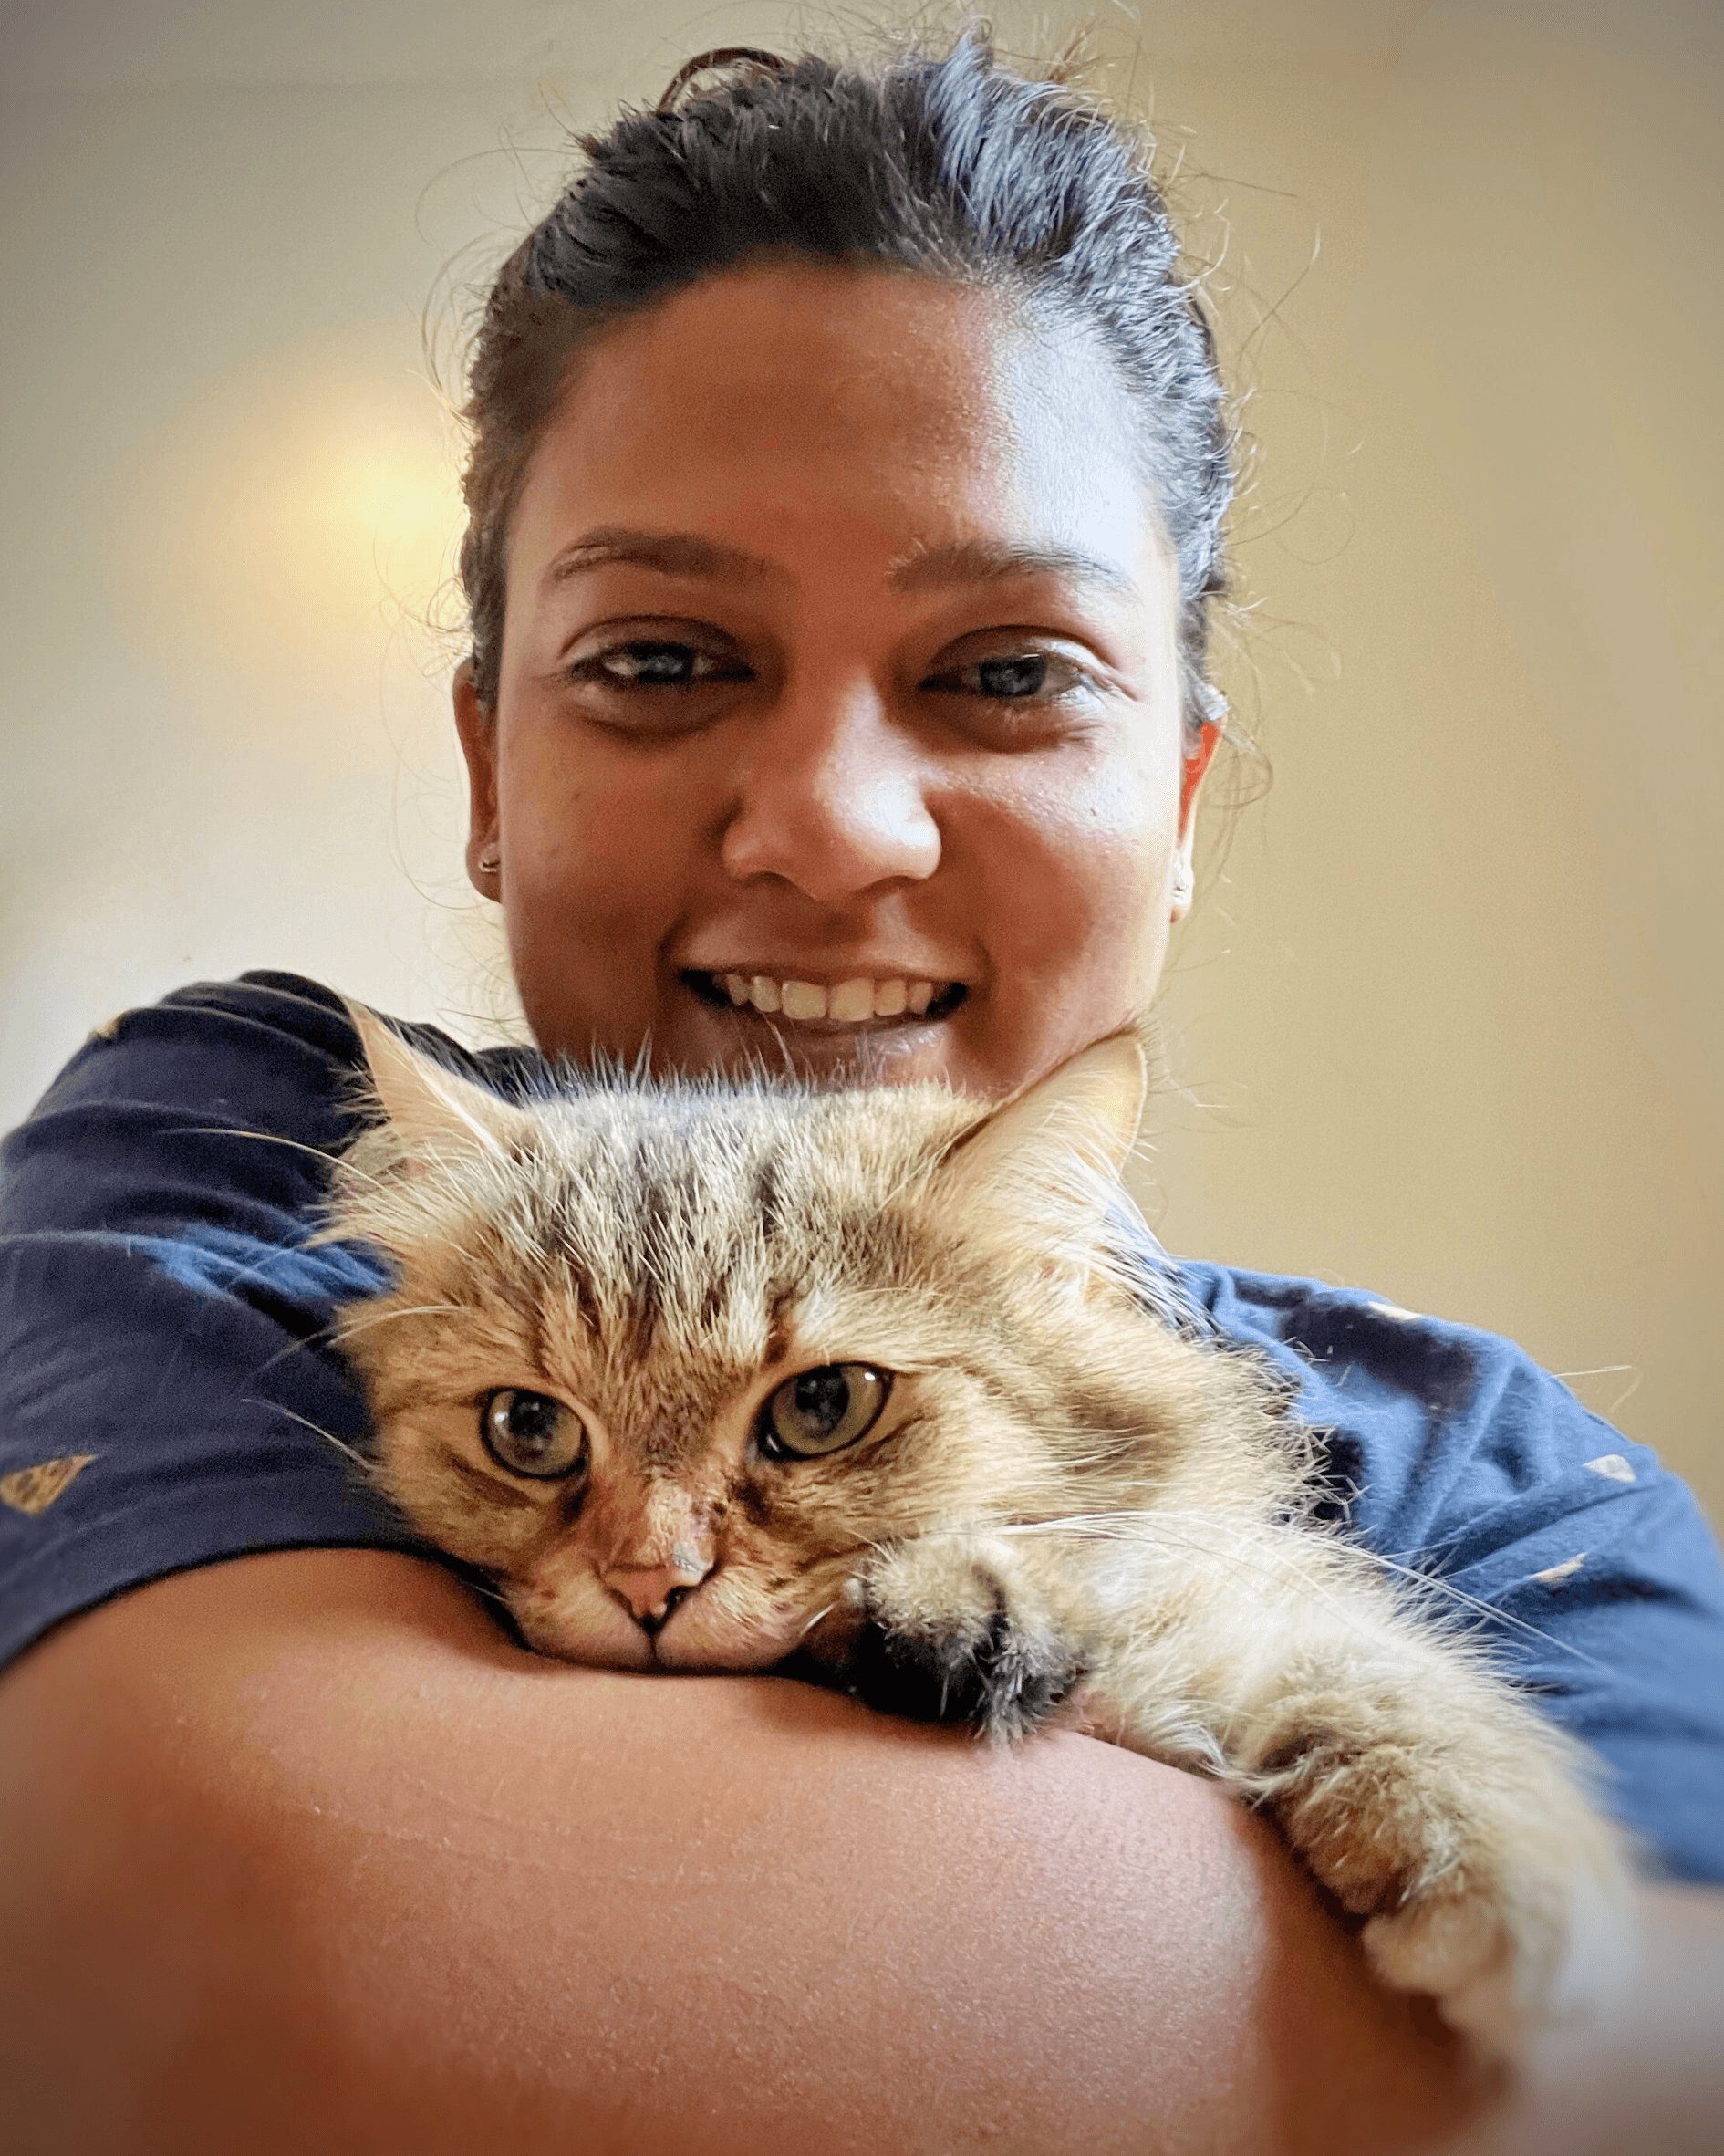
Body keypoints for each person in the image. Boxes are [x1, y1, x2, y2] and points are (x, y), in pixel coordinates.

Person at [3, 36, 1721, 2155]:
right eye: (663, 658)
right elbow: (225, 1957)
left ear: (1180, 794)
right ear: (483, 771)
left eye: (1004, 670)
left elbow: (1653, 2085)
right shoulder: (242, 1137)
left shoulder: (1518, 1489)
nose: (828, 826)